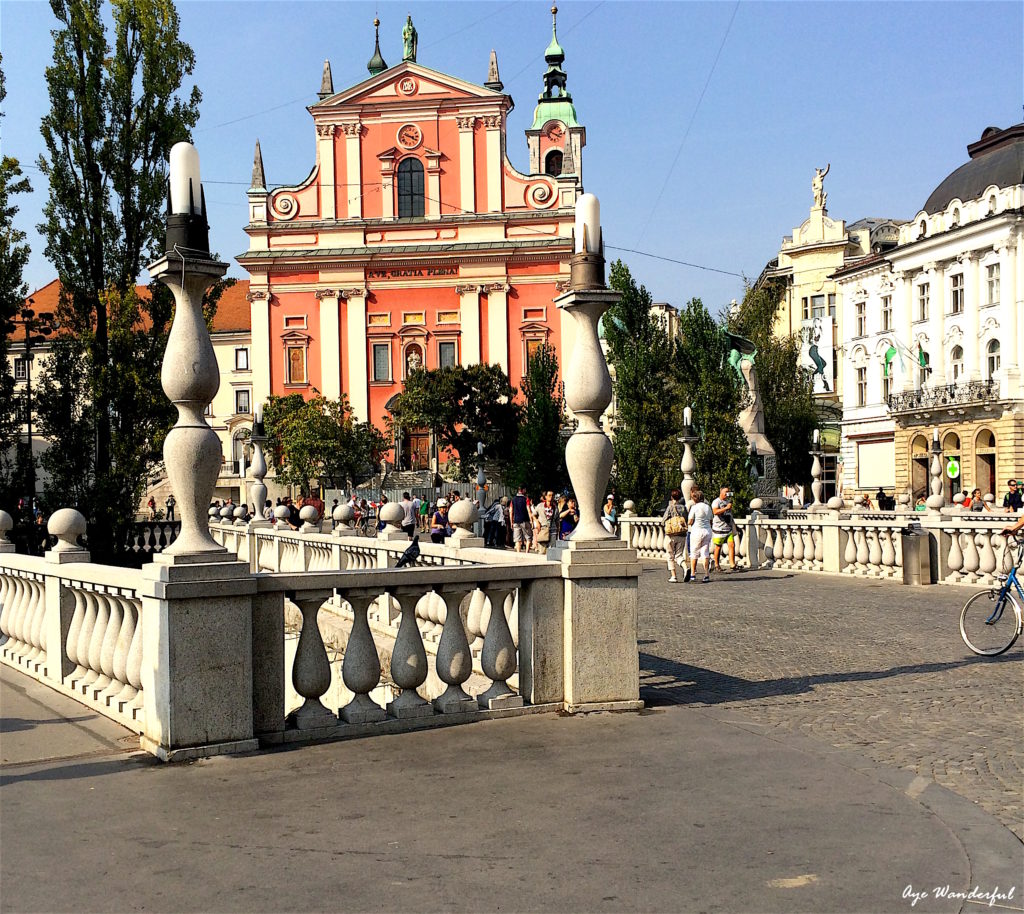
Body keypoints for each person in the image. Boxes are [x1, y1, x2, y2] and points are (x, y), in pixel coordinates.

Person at [687, 489, 714, 583]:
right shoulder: (708, 507)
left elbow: (690, 521)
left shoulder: (694, 507)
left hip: (697, 531)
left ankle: (693, 574)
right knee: (705, 553)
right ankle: (706, 574)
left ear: (695, 498)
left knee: (694, 553)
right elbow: (711, 521)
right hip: (707, 531)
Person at [662, 488, 688, 583]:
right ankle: (685, 568)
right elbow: (686, 519)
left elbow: (664, 520)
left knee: (670, 555)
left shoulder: (670, 507)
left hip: (671, 534)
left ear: (672, 497)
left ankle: (674, 576)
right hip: (681, 534)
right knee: (679, 555)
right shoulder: (684, 508)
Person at [711, 486, 737, 572]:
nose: (727, 493)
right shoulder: (716, 502)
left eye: (728, 492)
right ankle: (716, 564)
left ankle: (732, 564)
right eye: (725, 492)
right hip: (719, 528)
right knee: (718, 547)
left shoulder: (728, 501)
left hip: (728, 527)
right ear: (721, 492)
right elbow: (715, 512)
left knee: (732, 545)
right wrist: (726, 508)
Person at [511, 485, 532, 553]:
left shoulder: (513, 499)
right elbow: (528, 509)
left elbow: (511, 511)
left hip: (516, 521)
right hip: (525, 520)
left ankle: (518, 552)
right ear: (523, 490)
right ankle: (526, 552)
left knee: (517, 539)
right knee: (528, 537)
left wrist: (511, 521)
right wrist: (531, 520)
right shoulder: (526, 499)